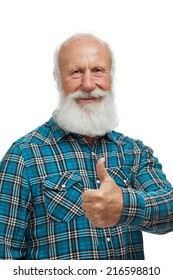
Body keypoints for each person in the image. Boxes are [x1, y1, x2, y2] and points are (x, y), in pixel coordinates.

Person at [0, 33, 173, 260]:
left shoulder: (134, 152)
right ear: (58, 79)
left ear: (111, 77)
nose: (89, 84)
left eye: (98, 70)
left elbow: (169, 213)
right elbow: (5, 255)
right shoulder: (24, 155)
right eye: (76, 72)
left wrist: (125, 205)